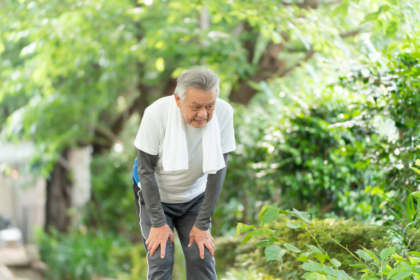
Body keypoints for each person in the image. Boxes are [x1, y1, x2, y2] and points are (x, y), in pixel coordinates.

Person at [132, 66, 236, 280]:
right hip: (156, 196)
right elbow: (145, 171)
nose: (203, 114)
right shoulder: (156, 114)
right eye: (196, 106)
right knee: (161, 260)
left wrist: (203, 223)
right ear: (178, 100)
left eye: (210, 106)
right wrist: (159, 223)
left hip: (194, 196)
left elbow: (218, 172)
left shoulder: (224, 114)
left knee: (202, 258)